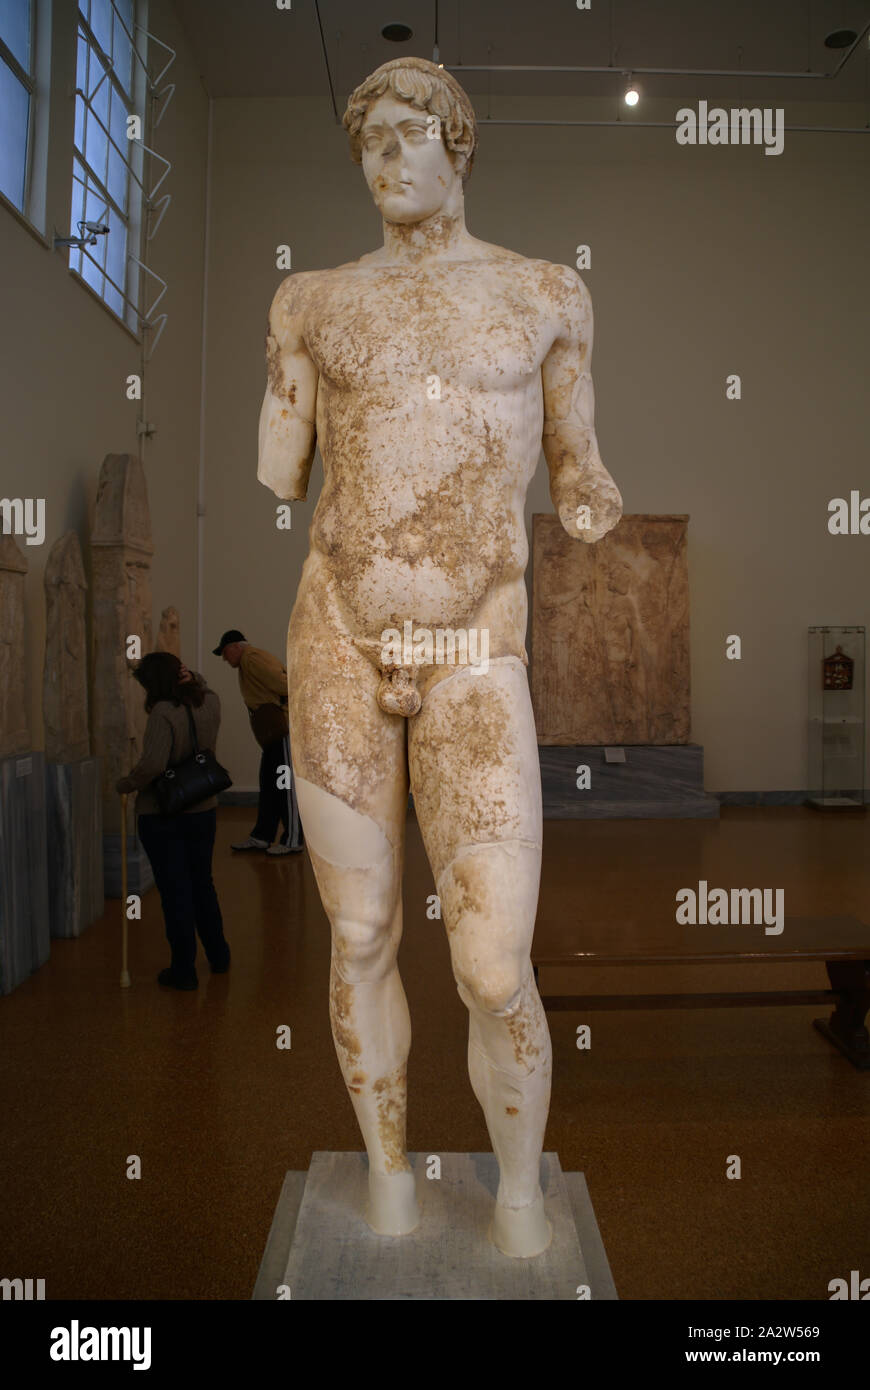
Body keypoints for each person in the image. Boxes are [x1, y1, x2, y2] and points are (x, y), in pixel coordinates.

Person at [256, 57, 622, 1255]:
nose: (387, 158)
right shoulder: (310, 302)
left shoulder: (543, 294)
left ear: (459, 145)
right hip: (343, 640)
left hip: (471, 643)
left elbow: (579, 467)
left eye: (412, 133)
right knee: (360, 931)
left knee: (489, 957)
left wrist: (586, 498)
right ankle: (391, 1174)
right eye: (370, 141)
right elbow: (282, 464)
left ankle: (518, 1192)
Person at [116, 653, 230, 990]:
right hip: (204, 807)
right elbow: (204, 687)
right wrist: (191, 675)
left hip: (164, 814)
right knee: (201, 884)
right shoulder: (210, 701)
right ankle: (219, 955)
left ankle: (184, 970)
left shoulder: (164, 713)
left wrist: (125, 784)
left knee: (175, 892)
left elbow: (152, 765)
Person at [212, 629, 303, 855]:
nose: (224, 659)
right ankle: (262, 836)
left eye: (224, 653)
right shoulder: (248, 661)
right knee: (271, 785)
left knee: (285, 786)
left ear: (235, 647)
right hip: (273, 734)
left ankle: (293, 840)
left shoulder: (252, 658)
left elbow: (286, 684)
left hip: (281, 731)